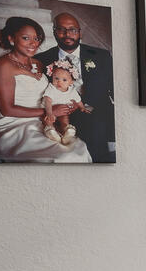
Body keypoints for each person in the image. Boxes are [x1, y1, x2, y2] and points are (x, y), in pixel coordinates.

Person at [0, 17, 90, 162]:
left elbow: (53, 90)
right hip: (15, 125)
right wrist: (51, 111)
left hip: (42, 121)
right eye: (26, 38)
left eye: (37, 38)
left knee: (77, 149)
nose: (33, 43)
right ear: (11, 38)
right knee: (64, 156)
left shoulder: (38, 63)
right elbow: (7, 110)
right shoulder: (3, 65)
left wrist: (68, 103)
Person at [34, 11, 115, 162]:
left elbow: (114, 88)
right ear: (54, 32)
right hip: (60, 111)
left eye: (72, 29)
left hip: (95, 109)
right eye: (61, 29)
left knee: (96, 131)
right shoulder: (41, 60)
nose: (67, 34)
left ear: (79, 32)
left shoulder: (101, 55)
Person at [40, 60, 93, 144]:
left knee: (64, 118)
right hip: (50, 109)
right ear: (52, 76)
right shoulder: (51, 88)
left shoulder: (72, 90)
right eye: (56, 78)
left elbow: (78, 100)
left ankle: (66, 131)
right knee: (47, 119)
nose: (59, 82)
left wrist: (82, 107)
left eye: (64, 80)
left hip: (63, 112)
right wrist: (49, 113)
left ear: (71, 82)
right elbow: (48, 101)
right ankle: (51, 131)